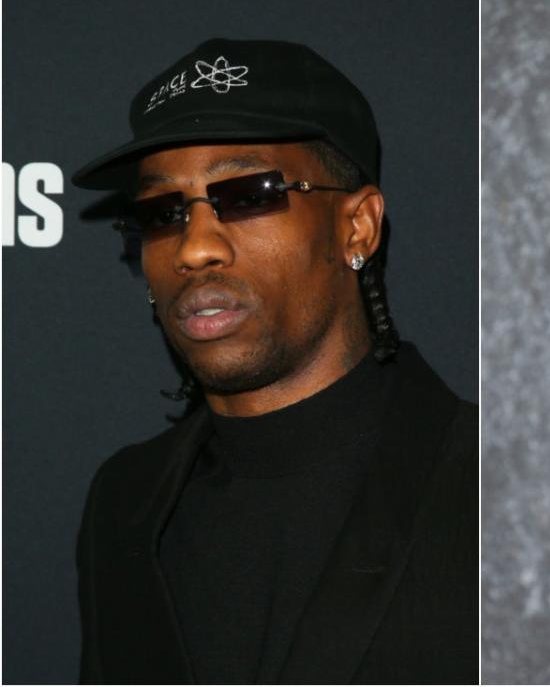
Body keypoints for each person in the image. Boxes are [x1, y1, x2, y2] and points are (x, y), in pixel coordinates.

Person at [71, 38, 477, 685]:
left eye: (250, 193)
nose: (195, 247)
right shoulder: (122, 505)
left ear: (358, 227)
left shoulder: (495, 490)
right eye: (161, 212)